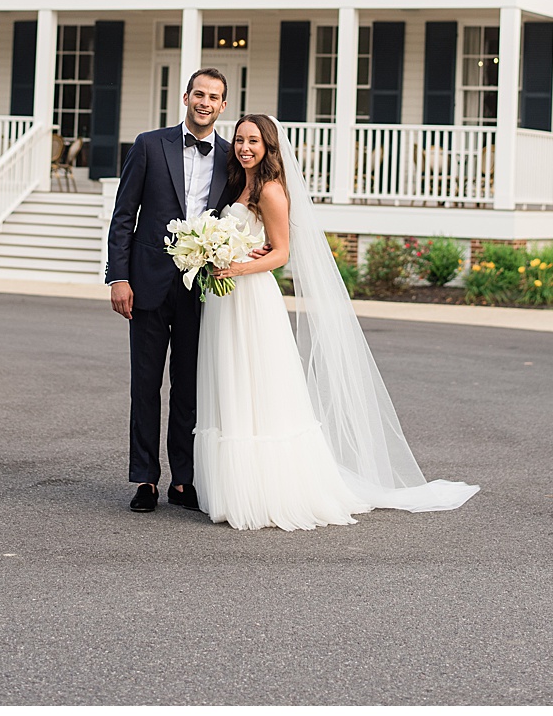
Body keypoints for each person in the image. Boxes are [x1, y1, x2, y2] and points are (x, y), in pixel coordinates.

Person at [194, 114, 479, 529]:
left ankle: (264, 492)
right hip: (224, 301)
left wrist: (235, 268)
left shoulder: (272, 191)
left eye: (254, 140)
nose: (244, 147)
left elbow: (280, 254)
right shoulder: (237, 184)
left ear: (269, 146)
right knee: (230, 384)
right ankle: (231, 488)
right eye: (239, 139)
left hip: (252, 299)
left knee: (258, 387)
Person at [103, 68, 232, 514]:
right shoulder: (148, 145)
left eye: (214, 97)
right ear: (185, 97)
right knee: (145, 384)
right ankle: (145, 479)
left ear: (223, 106)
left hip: (201, 289)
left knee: (189, 387)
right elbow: (123, 216)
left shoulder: (232, 157)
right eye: (199, 93)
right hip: (147, 284)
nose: (205, 102)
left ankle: (184, 479)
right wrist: (118, 277)